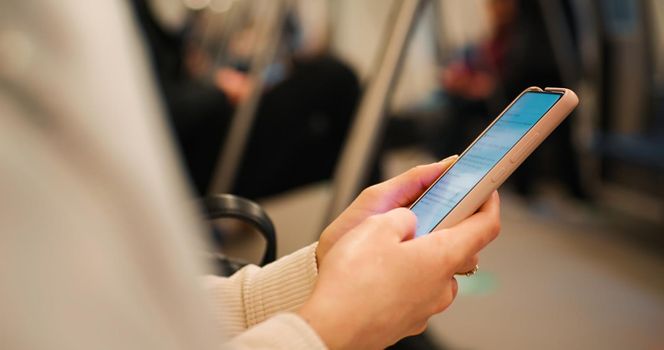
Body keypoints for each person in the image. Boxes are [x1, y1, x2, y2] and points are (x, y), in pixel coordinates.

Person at [0, 1, 500, 349]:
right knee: (334, 85)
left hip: (181, 139)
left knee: (333, 83)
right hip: (183, 140)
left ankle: (380, 284)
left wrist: (318, 272)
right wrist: (335, 329)